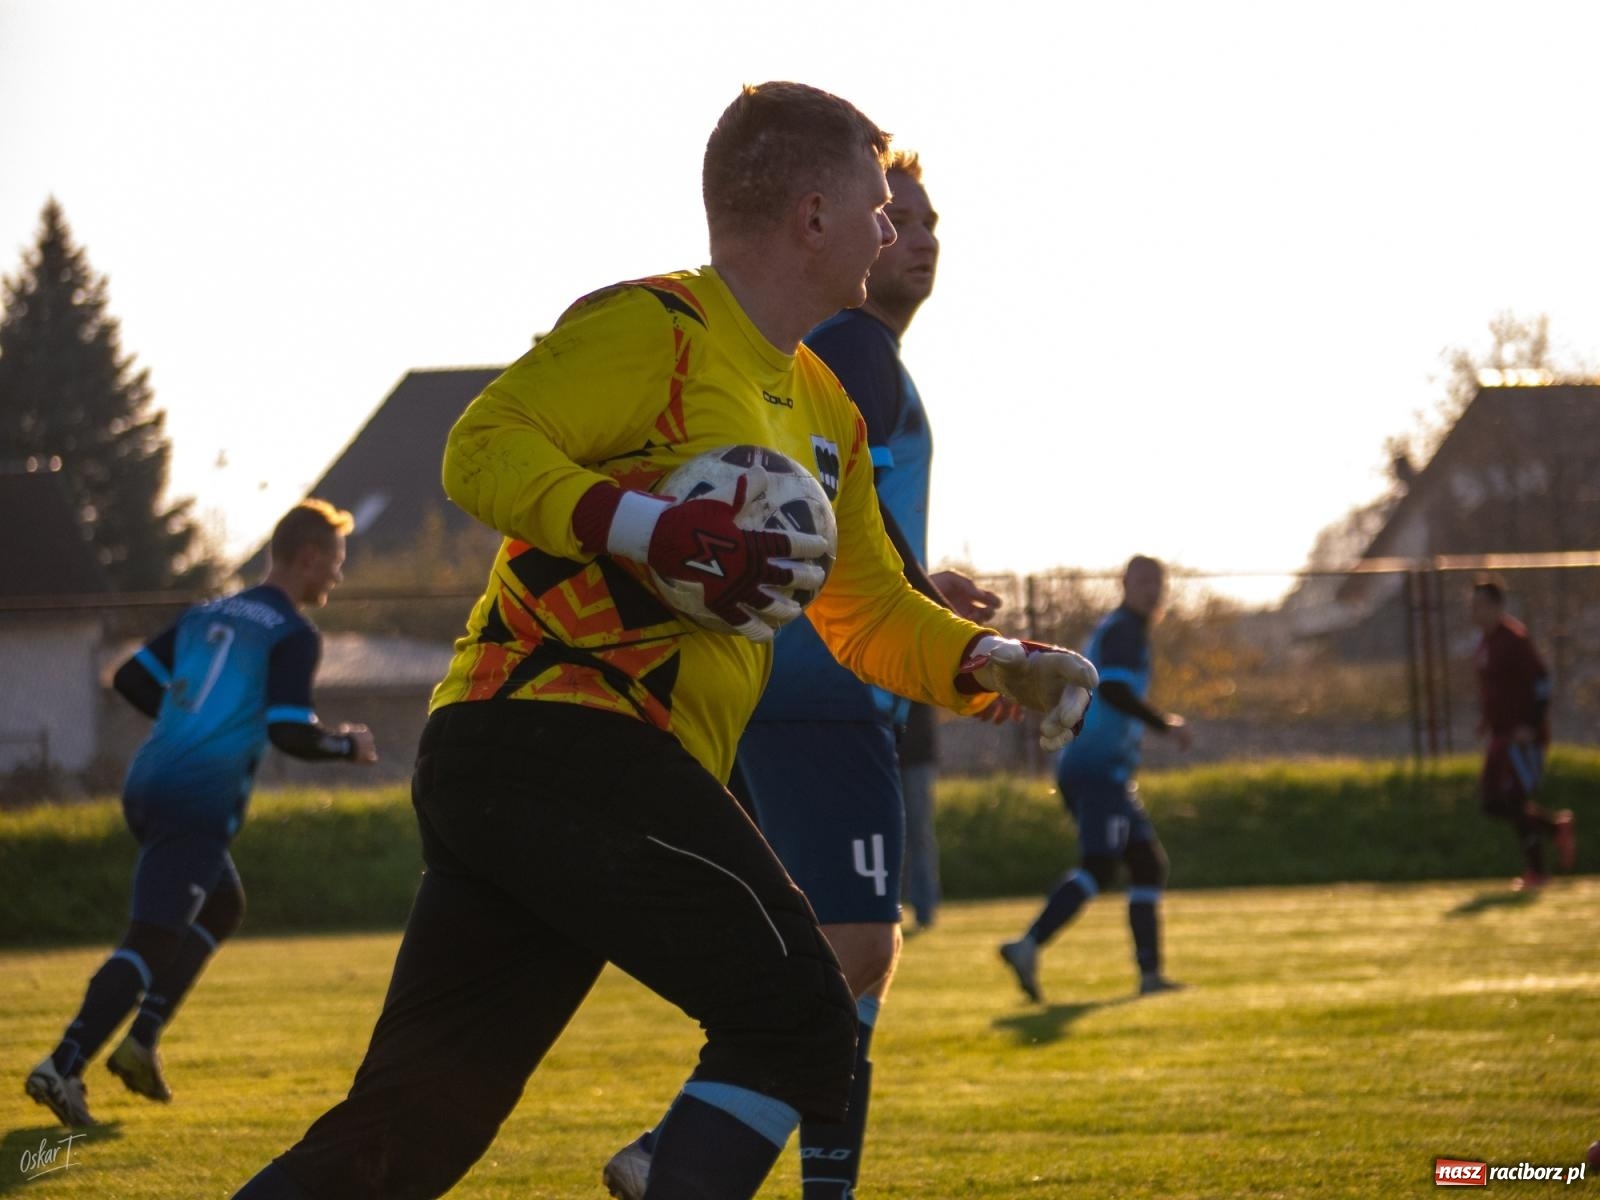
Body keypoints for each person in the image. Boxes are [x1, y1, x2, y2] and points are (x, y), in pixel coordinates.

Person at [230, 82, 1096, 1200]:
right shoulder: (653, 326)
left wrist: (994, 669)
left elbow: (865, 608)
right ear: (812, 214)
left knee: (405, 1132)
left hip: (552, 773)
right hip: (569, 739)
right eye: (878, 203)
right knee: (799, 1017)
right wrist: (655, 528)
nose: (891, 229)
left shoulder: (822, 402)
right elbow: (480, 448)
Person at [603, 150, 1000, 1200]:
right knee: (857, 947)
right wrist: (917, 606)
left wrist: (919, 580)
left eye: (927, 220)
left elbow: (828, 512)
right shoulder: (858, 353)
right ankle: (677, 1147)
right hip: (823, 688)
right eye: (894, 214)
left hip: (770, 680)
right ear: (837, 226)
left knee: (849, 962)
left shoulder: (837, 359)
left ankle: (814, 1185)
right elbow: (819, 518)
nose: (914, 235)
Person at [24, 500, 379, 1128]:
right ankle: (64, 1063)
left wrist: (190, 719)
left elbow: (132, 678)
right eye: (336, 563)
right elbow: (291, 731)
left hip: (149, 778)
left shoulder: (205, 614)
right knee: (152, 936)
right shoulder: (293, 633)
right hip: (197, 796)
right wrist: (347, 745)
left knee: (221, 905)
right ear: (308, 556)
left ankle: (139, 1045)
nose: (337, 577)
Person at [999, 555, 1192, 1003]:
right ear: (1125, 583)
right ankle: (1028, 945)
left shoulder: (1123, 628)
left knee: (1145, 862)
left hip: (1104, 771)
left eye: (1157, 582)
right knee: (1100, 866)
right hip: (1095, 768)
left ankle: (1150, 975)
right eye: (1143, 580)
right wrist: (1167, 724)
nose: (1151, 589)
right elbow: (1116, 690)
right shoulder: (1124, 630)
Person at [1468, 575, 1575, 890]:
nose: (1474, 612)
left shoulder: (1514, 639)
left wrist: (1531, 724)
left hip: (1521, 737)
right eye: (1471, 606)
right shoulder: (1485, 643)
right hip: (1500, 736)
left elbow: (1542, 682)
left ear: (1498, 606)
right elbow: (1495, 689)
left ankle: (1538, 872)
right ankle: (1556, 829)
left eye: (1480, 606)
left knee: (1513, 799)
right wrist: (1486, 721)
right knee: (1491, 802)